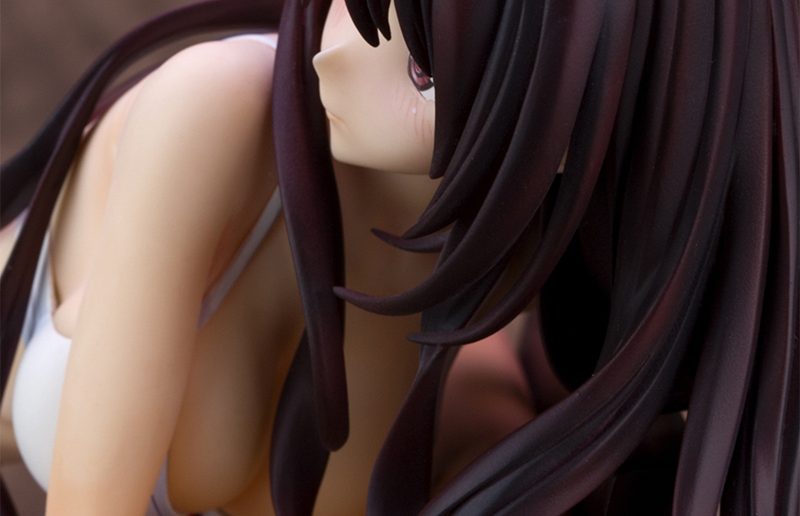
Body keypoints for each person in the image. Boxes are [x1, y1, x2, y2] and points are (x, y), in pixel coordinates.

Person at [2, 0, 798, 515]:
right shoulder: (215, 108)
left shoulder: (512, 270)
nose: (335, 51)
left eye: (421, 70)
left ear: (568, 124)